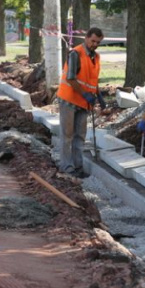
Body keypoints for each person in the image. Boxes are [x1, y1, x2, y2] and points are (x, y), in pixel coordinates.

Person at [56, 27, 106, 178]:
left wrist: (99, 96)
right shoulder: (75, 54)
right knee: (67, 135)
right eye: (93, 41)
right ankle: (66, 166)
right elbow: (71, 78)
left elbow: (92, 80)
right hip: (69, 100)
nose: (95, 44)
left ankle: (78, 167)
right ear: (86, 38)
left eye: (98, 42)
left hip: (84, 102)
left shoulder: (96, 57)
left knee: (80, 136)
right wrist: (85, 94)